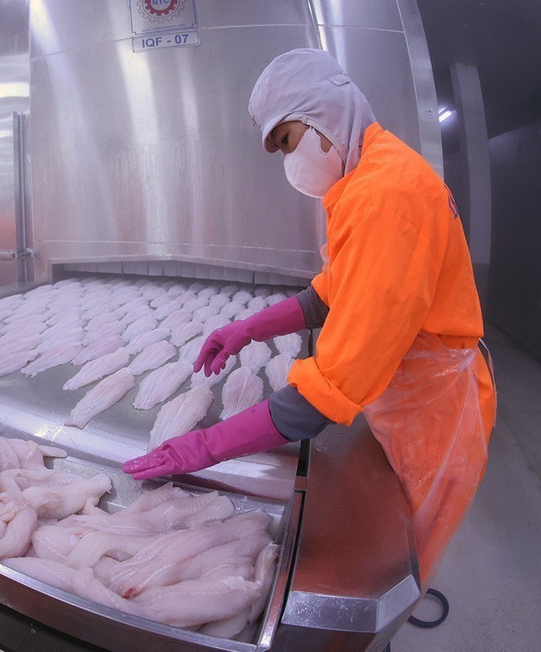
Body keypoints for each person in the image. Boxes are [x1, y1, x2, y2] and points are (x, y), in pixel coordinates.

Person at [123, 48, 496, 589]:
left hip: (433, 417)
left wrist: (202, 447)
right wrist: (247, 329)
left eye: (288, 139)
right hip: (409, 395)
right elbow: (332, 294)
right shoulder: (369, 176)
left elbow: (323, 396)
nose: (289, 160)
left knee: (399, 561)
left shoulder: (386, 197)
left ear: (325, 114)